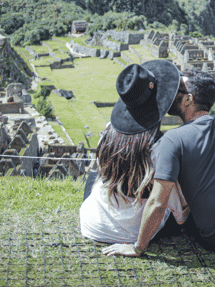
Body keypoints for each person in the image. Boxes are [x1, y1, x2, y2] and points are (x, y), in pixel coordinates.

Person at [102, 69, 215, 257]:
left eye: (176, 89)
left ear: (188, 99)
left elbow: (158, 202)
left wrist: (138, 247)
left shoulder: (172, 140)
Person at [79, 61, 189, 243]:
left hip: (94, 223)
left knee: (96, 176)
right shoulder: (161, 146)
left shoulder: (108, 133)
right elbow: (178, 211)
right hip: (134, 232)